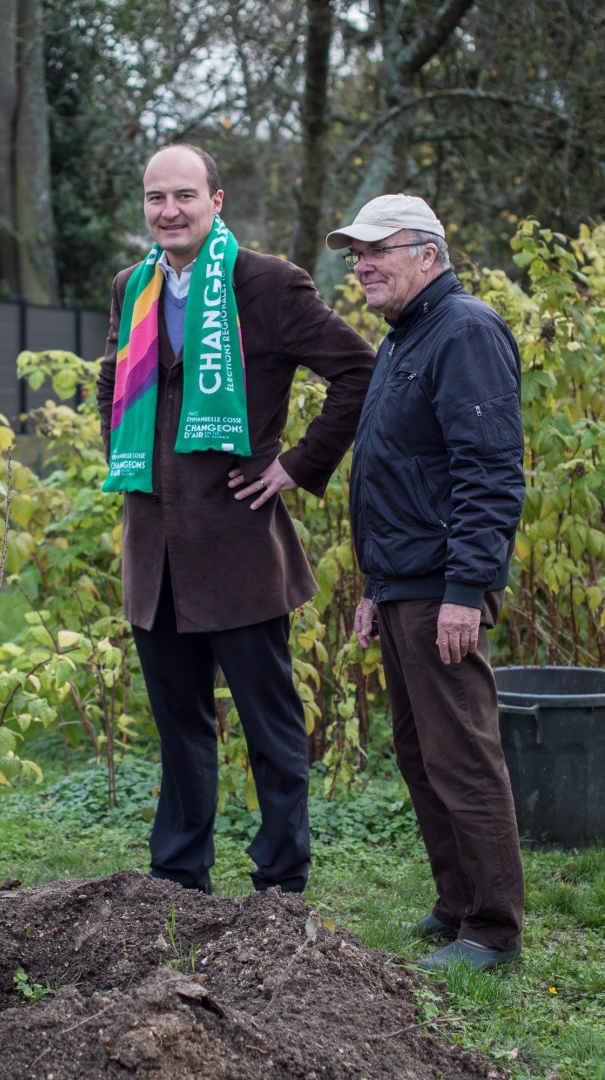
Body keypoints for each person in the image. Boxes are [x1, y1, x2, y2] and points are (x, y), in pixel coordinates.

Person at [97, 144, 375, 894]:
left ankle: (281, 880)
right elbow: (112, 384)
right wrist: (127, 457)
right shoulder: (133, 286)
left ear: (217, 201)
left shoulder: (269, 284)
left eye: (185, 196)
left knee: (270, 727)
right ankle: (179, 875)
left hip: (241, 548)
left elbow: (359, 371)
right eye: (156, 198)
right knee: (179, 727)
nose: (169, 211)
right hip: (153, 555)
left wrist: (295, 465)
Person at [325, 194, 525, 971]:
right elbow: (396, 473)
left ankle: (494, 932)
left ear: (429, 254)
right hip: (404, 584)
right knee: (419, 752)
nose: (363, 265)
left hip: (444, 588)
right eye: (355, 254)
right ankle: (455, 903)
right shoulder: (406, 337)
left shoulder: (465, 331)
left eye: (378, 249)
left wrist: (465, 589)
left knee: (462, 756)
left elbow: (489, 471)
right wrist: (375, 584)